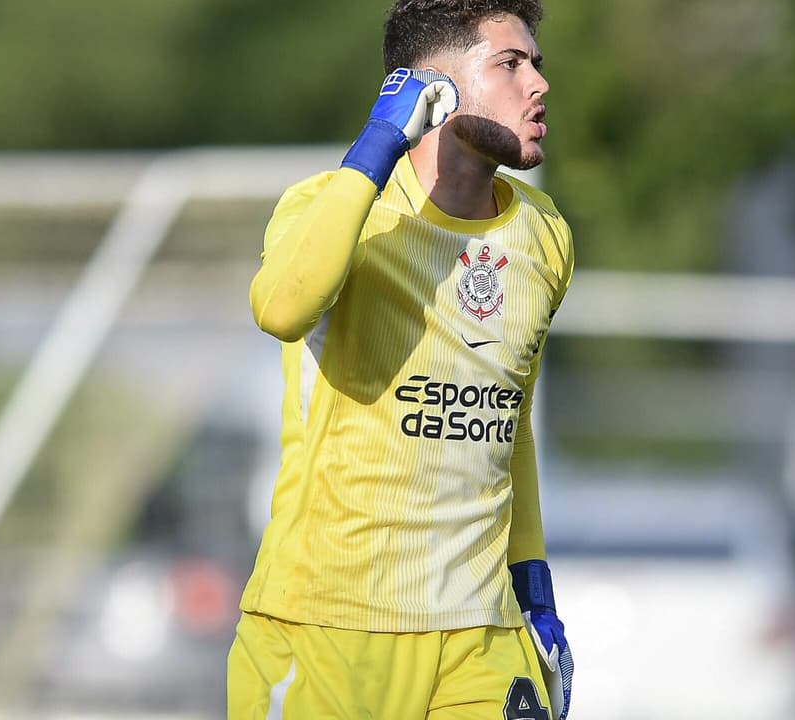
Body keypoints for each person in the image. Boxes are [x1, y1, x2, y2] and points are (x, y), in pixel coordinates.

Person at [226, 1, 574, 718]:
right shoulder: (332, 205)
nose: (537, 85)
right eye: (509, 64)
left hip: (481, 632)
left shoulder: (545, 237)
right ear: (432, 88)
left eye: (536, 64)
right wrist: (379, 142)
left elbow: (512, 427)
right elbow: (280, 310)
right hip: (327, 626)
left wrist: (533, 585)